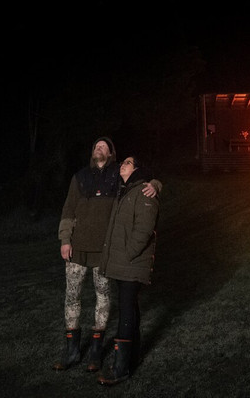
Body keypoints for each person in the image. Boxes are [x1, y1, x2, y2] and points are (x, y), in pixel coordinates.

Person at [54, 137, 158, 372]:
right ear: (92, 153)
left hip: (104, 253)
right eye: (95, 146)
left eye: (104, 146)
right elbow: (68, 208)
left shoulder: (118, 177)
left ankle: (95, 353)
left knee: (103, 299)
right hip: (77, 250)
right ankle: (71, 351)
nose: (98, 148)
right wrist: (65, 239)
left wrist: (156, 183)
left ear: (112, 153)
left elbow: (141, 177)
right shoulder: (79, 177)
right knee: (72, 298)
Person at [97, 154, 159, 387]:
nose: (123, 164)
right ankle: (132, 359)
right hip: (124, 263)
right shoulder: (125, 191)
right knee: (130, 309)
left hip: (131, 263)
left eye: (129, 162)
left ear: (137, 170)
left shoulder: (144, 192)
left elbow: (144, 230)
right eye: (123, 161)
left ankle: (120, 368)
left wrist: (128, 254)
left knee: (125, 311)